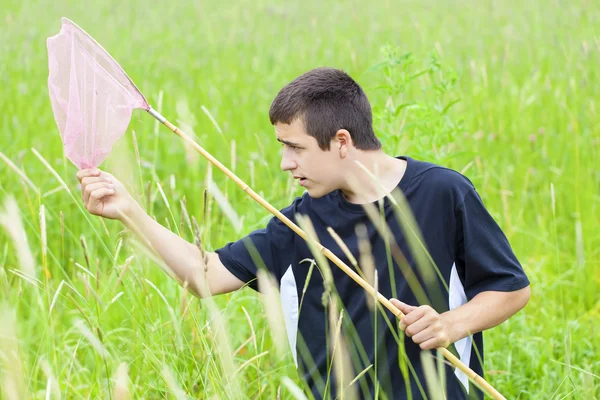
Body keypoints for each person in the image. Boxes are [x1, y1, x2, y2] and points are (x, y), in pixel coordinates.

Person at [77, 67, 530, 399]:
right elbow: (205, 275)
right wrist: (128, 211)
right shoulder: (302, 221)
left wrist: (450, 324)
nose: (285, 163)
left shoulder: (442, 192)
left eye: (295, 148)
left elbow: (511, 289)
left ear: (341, 141)